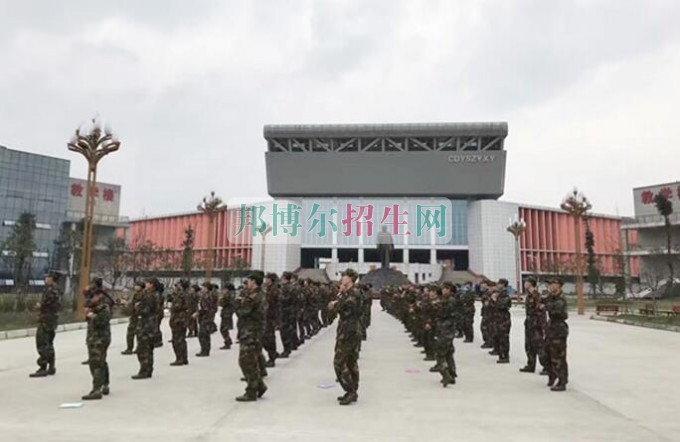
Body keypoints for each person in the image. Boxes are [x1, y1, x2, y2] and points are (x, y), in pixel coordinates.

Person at [328, 269, 362, 406]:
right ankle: (352, 390)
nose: (341, 279)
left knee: (339, 362)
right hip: (348, 331)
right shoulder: (348, 293)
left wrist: (335, 304)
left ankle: (350, 390)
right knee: (350, 361)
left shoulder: (354, 294)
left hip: (349, 332)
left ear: (350, 280)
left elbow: (344, 308)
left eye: (344, 278)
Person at [234, 273, 267, 402]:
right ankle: (259, 385)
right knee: (251, 360)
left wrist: (238, 303)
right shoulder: (258, 294)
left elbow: (241, 312)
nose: (247, 283)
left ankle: (252, 391)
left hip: (250, 332)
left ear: (254, 282)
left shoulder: (253, 296)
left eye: (249, 280)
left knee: (246, 361)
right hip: (252, 331)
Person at [30, 271, 62, 378]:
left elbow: (47, 303)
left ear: (52, 278)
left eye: (48, 277)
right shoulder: (56, 289)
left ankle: (43, 367)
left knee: (42, 342)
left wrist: (40, 306)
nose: (46, 279)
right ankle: (51, 367)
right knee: (49, 343)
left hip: (47, 319)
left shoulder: (51, 290)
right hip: (51, 319)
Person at [82, 288, 112, 400]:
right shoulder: (93, 307)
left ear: (99, 296)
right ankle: (105, 384)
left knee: (96, 364)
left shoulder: (104, 307)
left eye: (93, 296)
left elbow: (102, 321)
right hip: (93, 338)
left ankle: (96, 389)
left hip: (100, 339)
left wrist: (91, 315)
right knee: (100, 362)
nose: (91, 299)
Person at [132, 277, 160, 379]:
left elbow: (145, 310)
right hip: (151, 324)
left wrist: (137, 307)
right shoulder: (155, 294)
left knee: (143, 349)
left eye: (147, 283)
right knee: (148, 349)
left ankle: (144, 370)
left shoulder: (150, 296)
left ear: (151, 284)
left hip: (146, 325)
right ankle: (148, 370)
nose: (145, 284)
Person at [545, 277, 569, 391]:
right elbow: (544, 303)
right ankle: (552, 375)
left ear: (559, 285)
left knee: (559, 356)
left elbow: (555, 310)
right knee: (548, 355)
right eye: (550, 284)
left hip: (559, 329)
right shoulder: (552, 297)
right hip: (551, 328)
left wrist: (547, 305)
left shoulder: (561, 298)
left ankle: (562, 381)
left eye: (553, 284)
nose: (551, 286)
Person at [520, 277, 548, 374]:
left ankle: (546, 366)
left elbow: (542, 311)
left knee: (539, 346)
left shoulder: (537, 296)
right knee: (529, 345)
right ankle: (530, 365)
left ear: (531, 284)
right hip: (529, 323)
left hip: (536, 325)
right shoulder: (529, 296)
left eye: (526, 282)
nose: (524, 284)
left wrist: (542, 325)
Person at [433, 282, 457, 387]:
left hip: (446, 330)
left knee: (440, 353)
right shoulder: (445, 300)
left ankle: (445, 374)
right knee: (448, 352)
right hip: (446, 329)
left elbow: (443, 313)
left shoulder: (449, 301)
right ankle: (452, 374)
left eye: (444, 289)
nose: (442, 291)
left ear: (449, 289)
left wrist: (437, 305)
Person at [169, 279, 191, 366]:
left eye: (177, 285)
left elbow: (177, 307)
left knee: (177, 340)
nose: (175, 286)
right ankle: (184, 358)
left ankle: (179, 358)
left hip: (178, 319)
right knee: (182, 339)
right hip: (183, 318)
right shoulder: (186, 294)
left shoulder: (180, 295)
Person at [195, 282, 218, 357]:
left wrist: (198, 313)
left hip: (206, 317)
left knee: (202, 334)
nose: (202, 289)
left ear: (207, 288)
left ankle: (204, 350)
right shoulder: (207, 295)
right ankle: (206, 350)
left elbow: (205, 308)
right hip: (207, 316)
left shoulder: (207, 296)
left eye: (203, 287)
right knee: (206, 334)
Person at [262, 273, 281, 367]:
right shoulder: (269, 289)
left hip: (271, 316)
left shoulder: (273, 289)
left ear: (271, 280)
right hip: (268, 316)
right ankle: (273, 354)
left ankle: (272, 358)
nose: (265, 280)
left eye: (267, 279)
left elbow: (270, 302)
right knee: (266, 338)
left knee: (269, 338)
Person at [121, 282, 143, 355]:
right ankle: (130, 348)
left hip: (139, 317)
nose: (135, 287)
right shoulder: (135, 294)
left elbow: (138, 305)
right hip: (134, 316)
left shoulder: (142, 295)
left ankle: (137, 348)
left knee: (138, 333)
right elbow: (133, 304)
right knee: (131, 333)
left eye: (137, 285)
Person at [494, 278, 512, 363]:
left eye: (499, 283)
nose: (497, 285)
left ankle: (505, 356)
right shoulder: (500, 294)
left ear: (503, 284)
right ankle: (501, 354)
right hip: (498, 319)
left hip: (503, 319)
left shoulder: (505, 295)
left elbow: (503, 305)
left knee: (504, 338)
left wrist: (495, 300)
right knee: (499, 337)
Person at [219, 283, 236, 350]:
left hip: (227, 312)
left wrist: (221, 298)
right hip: (229, 311)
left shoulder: (228, 294)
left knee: (223, 328)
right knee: (224, 328)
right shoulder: (232, 294)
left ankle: (227, 341)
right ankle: (228, 341)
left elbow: (222, 303)